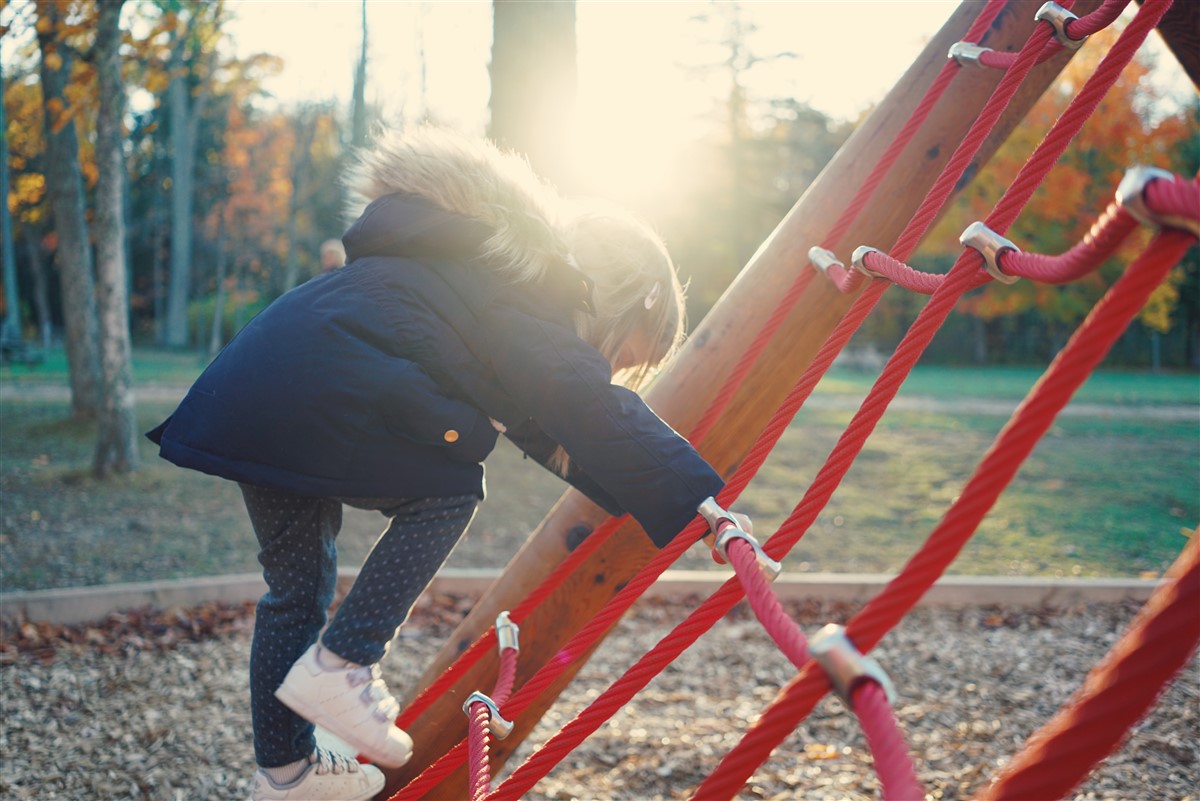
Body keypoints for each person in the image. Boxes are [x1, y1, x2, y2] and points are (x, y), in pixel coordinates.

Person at [147, 127, 744, 801]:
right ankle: (345, 664)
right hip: (321, 384)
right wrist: (697, 495)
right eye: (619, 355)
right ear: (621, 300)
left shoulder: (481, 277)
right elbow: (585, 402)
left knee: (295, 584)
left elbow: (554, 425)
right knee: (450, 488)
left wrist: (649, 497)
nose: (610, 370)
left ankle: (287, 774)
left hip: (259, 379)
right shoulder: (537, 294)